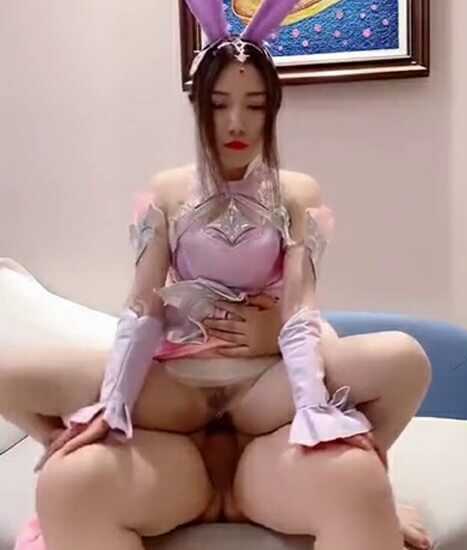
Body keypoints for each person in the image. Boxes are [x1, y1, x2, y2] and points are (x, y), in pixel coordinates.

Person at [1, 1, 432, 549]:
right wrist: (110, 408)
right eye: (220, 103)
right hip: (176, 387)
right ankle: (68, 442)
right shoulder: (166, 192)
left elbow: (301, 308)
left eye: (255, 105)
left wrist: (314, 410)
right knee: (25, 399)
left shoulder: (297, 193)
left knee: (403, 359)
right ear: (198, 104)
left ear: (273, 110)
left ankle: (375, 486)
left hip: (266, 388)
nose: (236, 123)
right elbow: (142, 308)